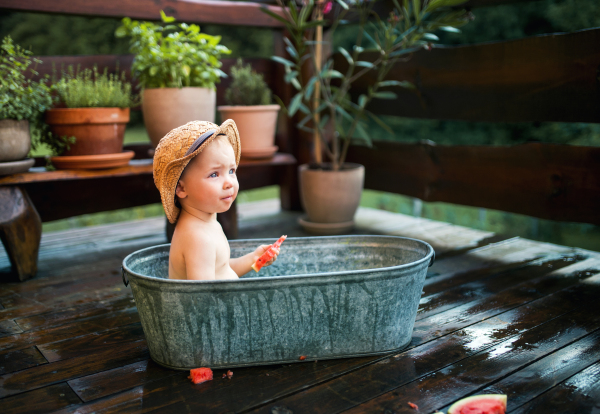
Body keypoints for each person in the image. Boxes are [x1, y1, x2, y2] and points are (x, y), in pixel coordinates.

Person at [153, 120, 279, 280]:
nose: (229, 182)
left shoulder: (205, 224)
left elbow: (222, 270)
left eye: (231, 170)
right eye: (214, 174)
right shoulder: (198, 238)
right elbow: (204, 299)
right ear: (181, 189)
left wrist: (253, 259)